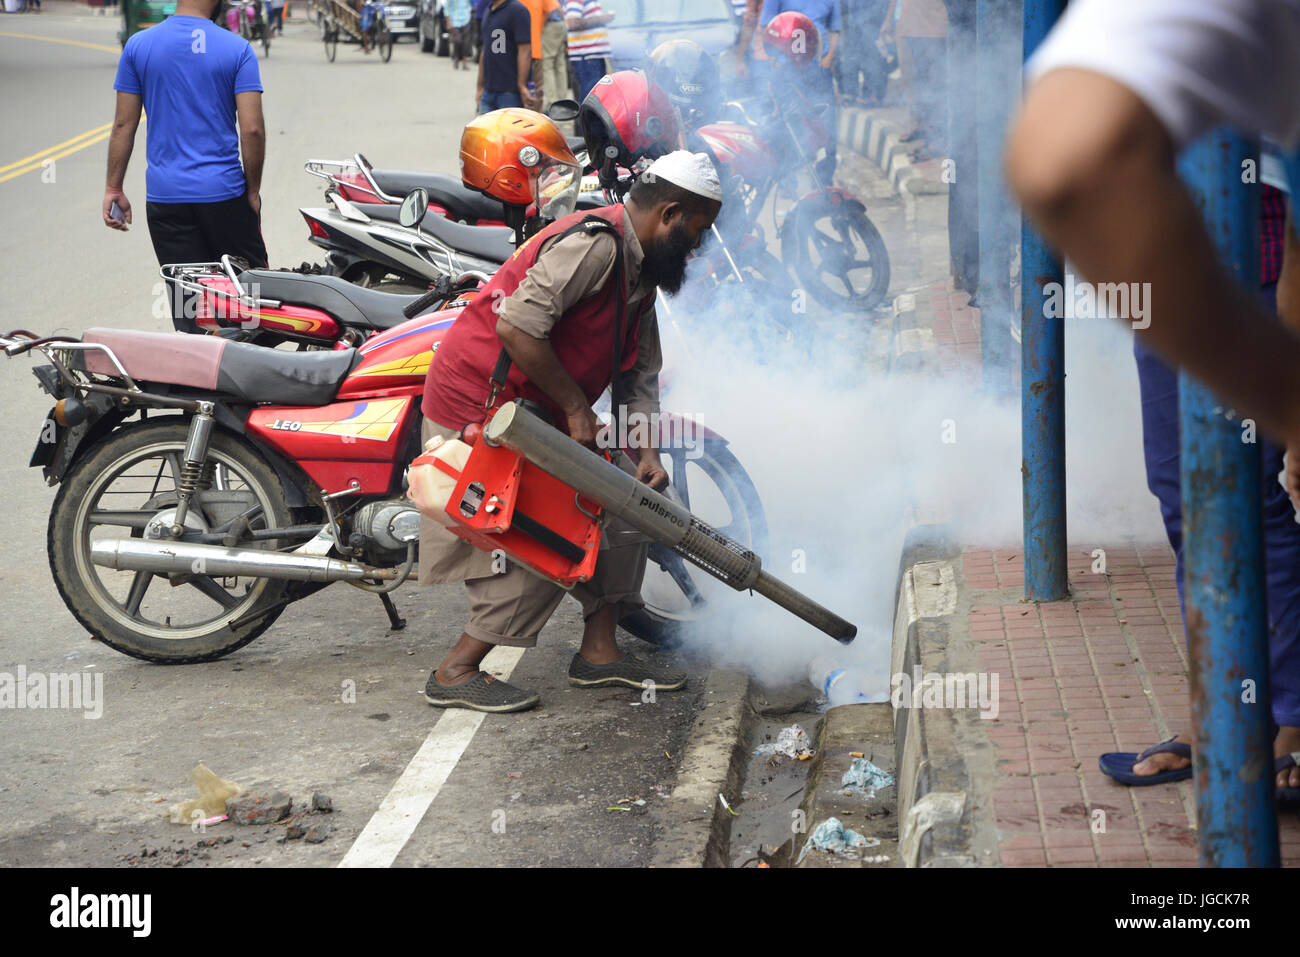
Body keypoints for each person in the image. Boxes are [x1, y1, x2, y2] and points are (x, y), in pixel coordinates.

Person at [1005, 0, 1300, 801]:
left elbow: (1062, 159)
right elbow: (1071, 160)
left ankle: (1286, 719)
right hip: (1195, 283)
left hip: (1263, 271)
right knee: (1188, 493)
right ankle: (1231, 708)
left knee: (1263, 503)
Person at [419, 148, 723, 713]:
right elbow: (518, 326)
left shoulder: (641, 268)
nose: (699, 246)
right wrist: (577, 409)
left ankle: (600, 653)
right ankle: (457, 670)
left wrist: (646, 452)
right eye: (698, 231)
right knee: (546, 535)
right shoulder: (595, 247)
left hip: (542, 411)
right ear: (671, 214)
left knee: (630, 501)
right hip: (484, 407)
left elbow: (638, 375)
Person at [104, 0, 267, 334]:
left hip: (167, 201)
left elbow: (124, 124)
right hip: (225, 197)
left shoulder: (139, 45)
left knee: (188, 307)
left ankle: (196, 373)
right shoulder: (237, 49)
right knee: (250, 303)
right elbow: (251, 129)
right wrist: (252, 190)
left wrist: (114, 188)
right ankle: (252, 370)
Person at [758, 0, 841, 181]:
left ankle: (824, 180)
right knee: (785, 126)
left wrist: (829, 59)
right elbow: (766, 28)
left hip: (817, 67)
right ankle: (787, 182)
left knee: (826, 123)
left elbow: (835, 31)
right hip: (786, 69)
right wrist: (775, 59)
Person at [477, 0, 534, 112]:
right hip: (488, 93)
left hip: (510, 93)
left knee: (509, 130)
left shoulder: (518, 10)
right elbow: (485, 50)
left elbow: (525, 51)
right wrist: (480, 87)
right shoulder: (488, 11)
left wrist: (521, 85)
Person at [563, 0, 613, 104]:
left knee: (596, 96)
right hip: (587, 57)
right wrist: (602, 19)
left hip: (593, 56)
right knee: (591, 98)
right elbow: (573, 23)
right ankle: (587, 120)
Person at [447, 0, 473, 70]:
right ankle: (456, 58)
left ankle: (464, 63)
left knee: (466, 42)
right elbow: (447, 8)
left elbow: (470, 5)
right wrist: (448, 22)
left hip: (466, 20)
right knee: (457, 40)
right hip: (455, 21)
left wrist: (469, 14)